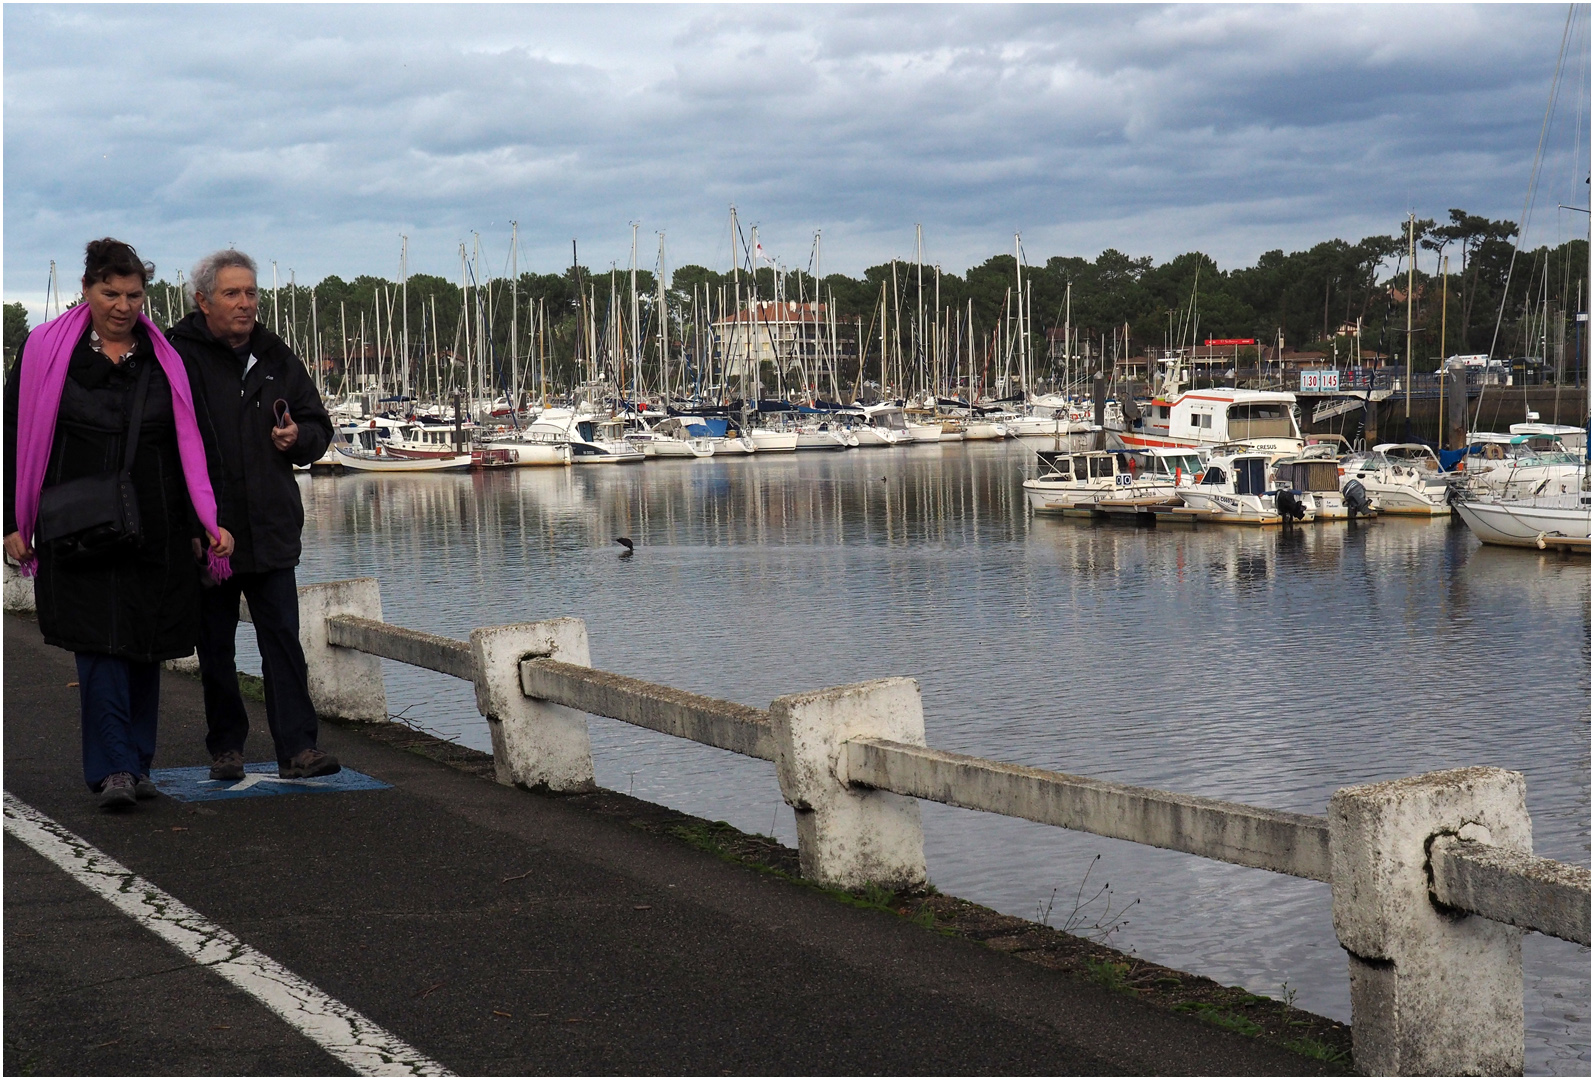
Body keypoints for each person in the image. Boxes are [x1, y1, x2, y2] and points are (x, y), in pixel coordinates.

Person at [3, 238, 235, 810]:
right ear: (86, 291)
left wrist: (209, 520)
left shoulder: (165, 360)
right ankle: (113, 770)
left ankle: (138, 762)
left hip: (154, 525)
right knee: (99, 646)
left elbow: (195, 445)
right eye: (110, 293)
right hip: (76, 525)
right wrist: (12, 519)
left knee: (144, 644)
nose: (123, 305)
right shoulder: (43, 354)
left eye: (133, 294)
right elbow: (13, 436)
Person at [167, 250, 337, 782]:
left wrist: (298, 438)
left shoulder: (276, 354)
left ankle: (298, 750)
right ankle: (226, 749)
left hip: (270, 525)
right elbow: (164, 445)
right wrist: (192, 527)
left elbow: (317, 427)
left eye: (252, 293)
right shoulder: (178, 355)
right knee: (215, 646)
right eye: (232, 294)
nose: (245, 304)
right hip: (211, 532)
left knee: (283, 641)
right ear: (202, 301)